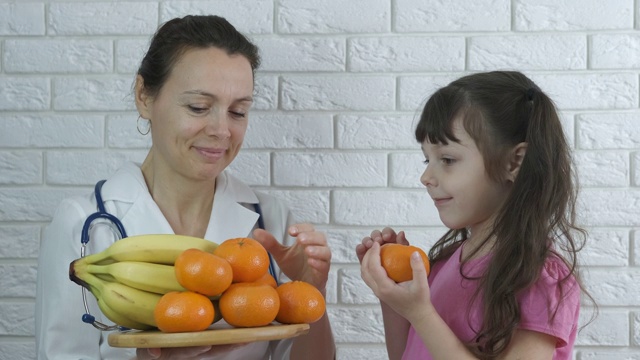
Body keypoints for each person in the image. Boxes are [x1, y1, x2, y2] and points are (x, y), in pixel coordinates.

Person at [35, 15, 335, 360]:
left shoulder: (270, 221)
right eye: (198, 107)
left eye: (238, 112)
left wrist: (315, 290)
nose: (222, 130)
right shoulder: (83, 223)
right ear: (144, 96)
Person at [356, 71, 592, 359]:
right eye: (426, 159)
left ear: (514, 162)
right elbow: (408, 355)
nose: (426, 176)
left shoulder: (538, 278)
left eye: (447, 159)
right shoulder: (444, 264)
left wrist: (421, 313)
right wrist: (394, 293)